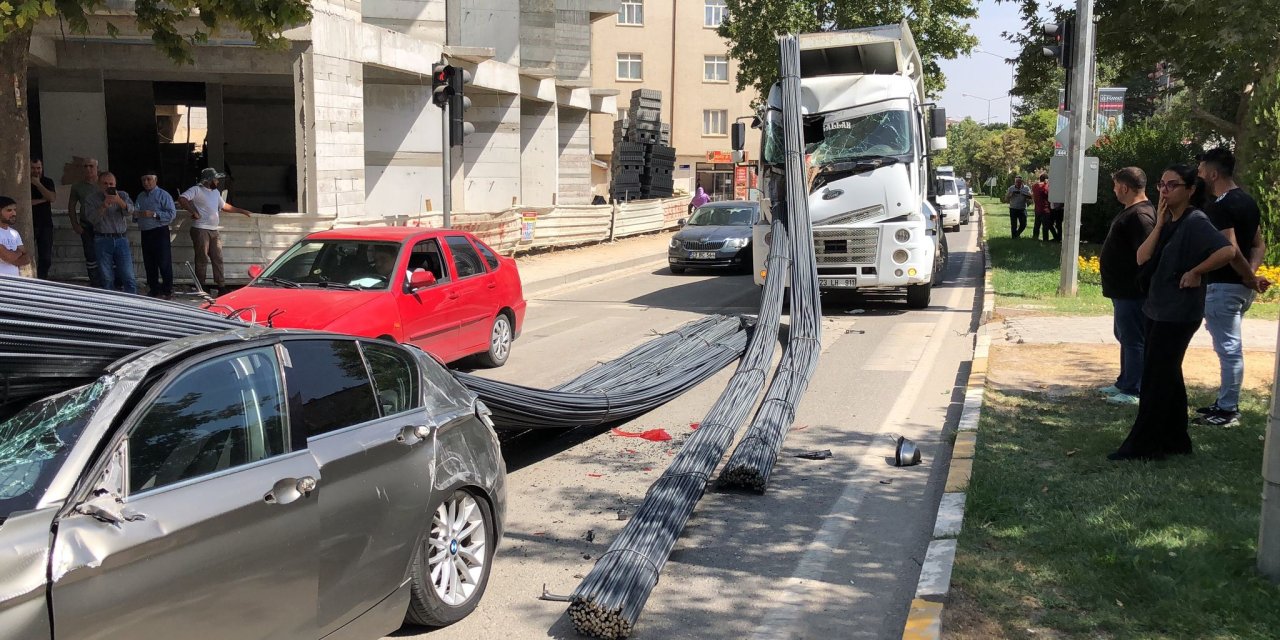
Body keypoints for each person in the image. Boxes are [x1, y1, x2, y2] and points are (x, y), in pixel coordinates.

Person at [1108, 165, 1240, 461]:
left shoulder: (1196, 220)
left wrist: (1196, 272)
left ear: (1190, 190)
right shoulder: (1168, 220)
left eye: (1172, 185)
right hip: (1157, 308)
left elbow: (1227, 251)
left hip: (1179, 313)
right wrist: (1159, 224)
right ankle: (1176, 440)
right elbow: (1141, 257)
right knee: (1168, 374)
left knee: (1156, 378)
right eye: (1162, 185)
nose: (1164, 191)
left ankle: (1144, 446)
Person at [1195, 147, 1268, 427]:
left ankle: (1227, 409)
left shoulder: (1220, 206)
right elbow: (1258, 244)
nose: (1199, 175)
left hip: (1224, 287)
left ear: (1213, 174)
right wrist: (1252, 275)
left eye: (1202, 171)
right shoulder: (1247, 201)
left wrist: (1248, 277)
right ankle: (1225, 402)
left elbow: (1230, 249)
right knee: (1229, 348)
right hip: (1240, 288)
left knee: (1229, 350)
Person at [1097, 167, 1156, 406]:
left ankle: (1134, 389)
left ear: (1124, 187)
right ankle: (1124, 381)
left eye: (1115, 186)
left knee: (1133, 339)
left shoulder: (1140, 216)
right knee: (1124, 336)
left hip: (1133, 291)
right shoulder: (1131, 211)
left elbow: (1147, 255)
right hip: (1122, 290)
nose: (1114, 191)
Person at [179, 167, 252, 295]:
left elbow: (224, 206)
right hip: (200, 228)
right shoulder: (196, 189)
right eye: (215, 179)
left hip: (213, 230)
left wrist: (242, 211)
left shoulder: (215, 192)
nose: (217, 182)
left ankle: (221, 286)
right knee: (202, 258)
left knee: (217, 258)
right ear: (208, 180)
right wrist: (193, 212)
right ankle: (201, 286)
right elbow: (182, 198)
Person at [82, 171, 137, 294]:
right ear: (99, 184)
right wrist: (103, 206)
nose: (108, 186)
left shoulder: (122, 195)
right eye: (105, 183)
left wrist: (119, 201)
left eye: (111, 184)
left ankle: (133, 302)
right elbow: (91, 220)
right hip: (102, 239)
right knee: (107, 277)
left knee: (128, 275)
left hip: (121, 238)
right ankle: (110, 302)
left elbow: (131, 211)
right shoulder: (91, 199)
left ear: (115, 184)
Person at [134, 170, 177, 299]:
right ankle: (154, 289)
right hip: (145, 232)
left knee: (164, 262)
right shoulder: (140, 196)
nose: (146, 182)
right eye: (143, 180)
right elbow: (135, 213)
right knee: (149, 262)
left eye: (149, 179)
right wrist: (137, 214)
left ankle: (167, 290)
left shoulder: (163, 195)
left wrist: (154, 214)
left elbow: (172, 214)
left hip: (159, 231)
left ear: (155, 180)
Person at [67, 157, 103, 287]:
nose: (88, 169)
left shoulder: (104, 183)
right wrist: (75, 224)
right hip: (86, 226)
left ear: (97, 168)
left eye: (91, 166)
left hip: (104, 226)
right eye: (85, 166)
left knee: (106, 254)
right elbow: (71, 205)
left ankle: (111, 282)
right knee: (90, 254)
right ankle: (95, 283)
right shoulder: (77, 186)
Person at [29, 158, 57, 279]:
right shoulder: (23, 182)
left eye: (38, 168)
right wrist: (43, 199)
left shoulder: (47, 181)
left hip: (45, 224)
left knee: (46, 258)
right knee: (27, 255)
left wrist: (38, 184)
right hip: (29, 224)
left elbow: (52, 198)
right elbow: (25, 203)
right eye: (33, 168)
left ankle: (41, 280)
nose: (36, 171)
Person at [0, 196, 31, 277]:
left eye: (15, 210)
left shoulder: (14, 233)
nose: (14, 213)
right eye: (9, 210)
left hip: (14, 280)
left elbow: (27, 259)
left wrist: (11, 257)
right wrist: (19, 252)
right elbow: (9, 257)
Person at [1031, 174, 1052, 241]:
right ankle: (1045, 239)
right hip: (1045, 208)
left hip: (1037, 208)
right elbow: (1047, 193)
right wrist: (1046, 184)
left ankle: (1035, 237)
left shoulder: (1035, 186)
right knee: (1045, 226)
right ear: (1046, 179)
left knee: (1037, 225)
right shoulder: (1045, 186)